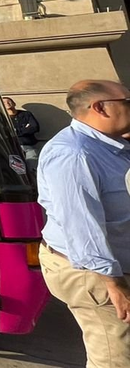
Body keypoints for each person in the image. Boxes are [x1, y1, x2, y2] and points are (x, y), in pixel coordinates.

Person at [38, 80, 130, 367]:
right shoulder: (75, 154)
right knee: (115, 358)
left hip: (113, 265)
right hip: (96, 274)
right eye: (128, 101)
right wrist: (114, 285)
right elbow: (82, 227)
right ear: (101, 107)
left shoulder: (111, 145)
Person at [3, 97, 41, 165]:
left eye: (9, 101)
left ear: (14, 103)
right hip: (13, 148)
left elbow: (35, 127)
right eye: (4, 103)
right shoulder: (3, 118)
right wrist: (25, 128)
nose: (7, 103)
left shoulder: (26, 114)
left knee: (33, 167)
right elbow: (6, 132)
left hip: (29, 146)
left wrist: (16, 131)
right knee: (19, 171)